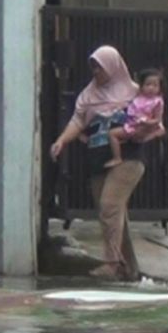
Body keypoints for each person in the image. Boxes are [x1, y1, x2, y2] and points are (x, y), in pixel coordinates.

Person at [49, 45, 153, 281]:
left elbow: (151, 118)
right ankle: (130, 269)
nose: (96, 71)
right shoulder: (88, 95)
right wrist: (62, 141)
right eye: (93, 66)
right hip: (99, 161)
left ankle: (111, 263)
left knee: (109, 205)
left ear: (113, 67)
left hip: (128, 159)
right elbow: (78, 120)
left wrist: (141, 129)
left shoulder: (135, 93)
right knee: (113, 214)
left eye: (101, 66)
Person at [104, 68, 165, 169]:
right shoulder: (137, 96)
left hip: (144, 126)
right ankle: (118, 155)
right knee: (112, 134)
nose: (151, 88)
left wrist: (147, 123)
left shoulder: (157, 102)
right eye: (148, 84)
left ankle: (117, 157)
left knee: (113, 134)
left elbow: (157, 119)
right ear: (141, 86)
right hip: (132, 124)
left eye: (155, 85)